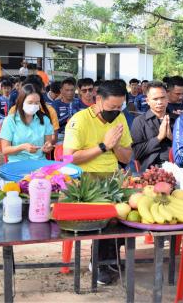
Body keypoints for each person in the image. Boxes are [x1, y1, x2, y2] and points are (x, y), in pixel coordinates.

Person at [63, 80, 132, 285]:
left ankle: (110, 257)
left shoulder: (120, 119)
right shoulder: (80, 120)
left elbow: (126, 158)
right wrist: (103, 146)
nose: (116, 111)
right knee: (106, 212)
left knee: (127, 212)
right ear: (98, 99)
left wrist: (115, 147)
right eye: (112, 107)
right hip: (85, 179)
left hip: (112, 177)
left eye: (120, 107)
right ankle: (102, 261)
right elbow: (69, 158)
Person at [0, 84, 54, 162]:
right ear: (21, 102)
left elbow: (48, 144)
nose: (33, 106)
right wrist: (22, 147)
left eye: (37, 103)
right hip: (16, 163)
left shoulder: (45, 120)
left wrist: (48, 147)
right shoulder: (10, 121)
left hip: (39, 162)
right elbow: (5, 150)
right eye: (30, 102)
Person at [131, 81, 177, 171]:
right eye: (155, 99)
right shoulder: (139, 121)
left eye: (163, 98)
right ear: (147, 101)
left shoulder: (178, 120)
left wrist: (172, 138)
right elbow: (135, 152)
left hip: (177, 167)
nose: (160, 102)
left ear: (167, 98)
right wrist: (159, 138)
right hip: (151, 170)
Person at [0, 79, 12, 145]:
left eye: (8, 88)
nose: (6, 90)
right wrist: (6, 118)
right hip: (2, 119)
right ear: (1, 89)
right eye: (4, 88)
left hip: (13, 117)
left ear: (11, 89)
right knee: (5, 122)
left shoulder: (14, 98)